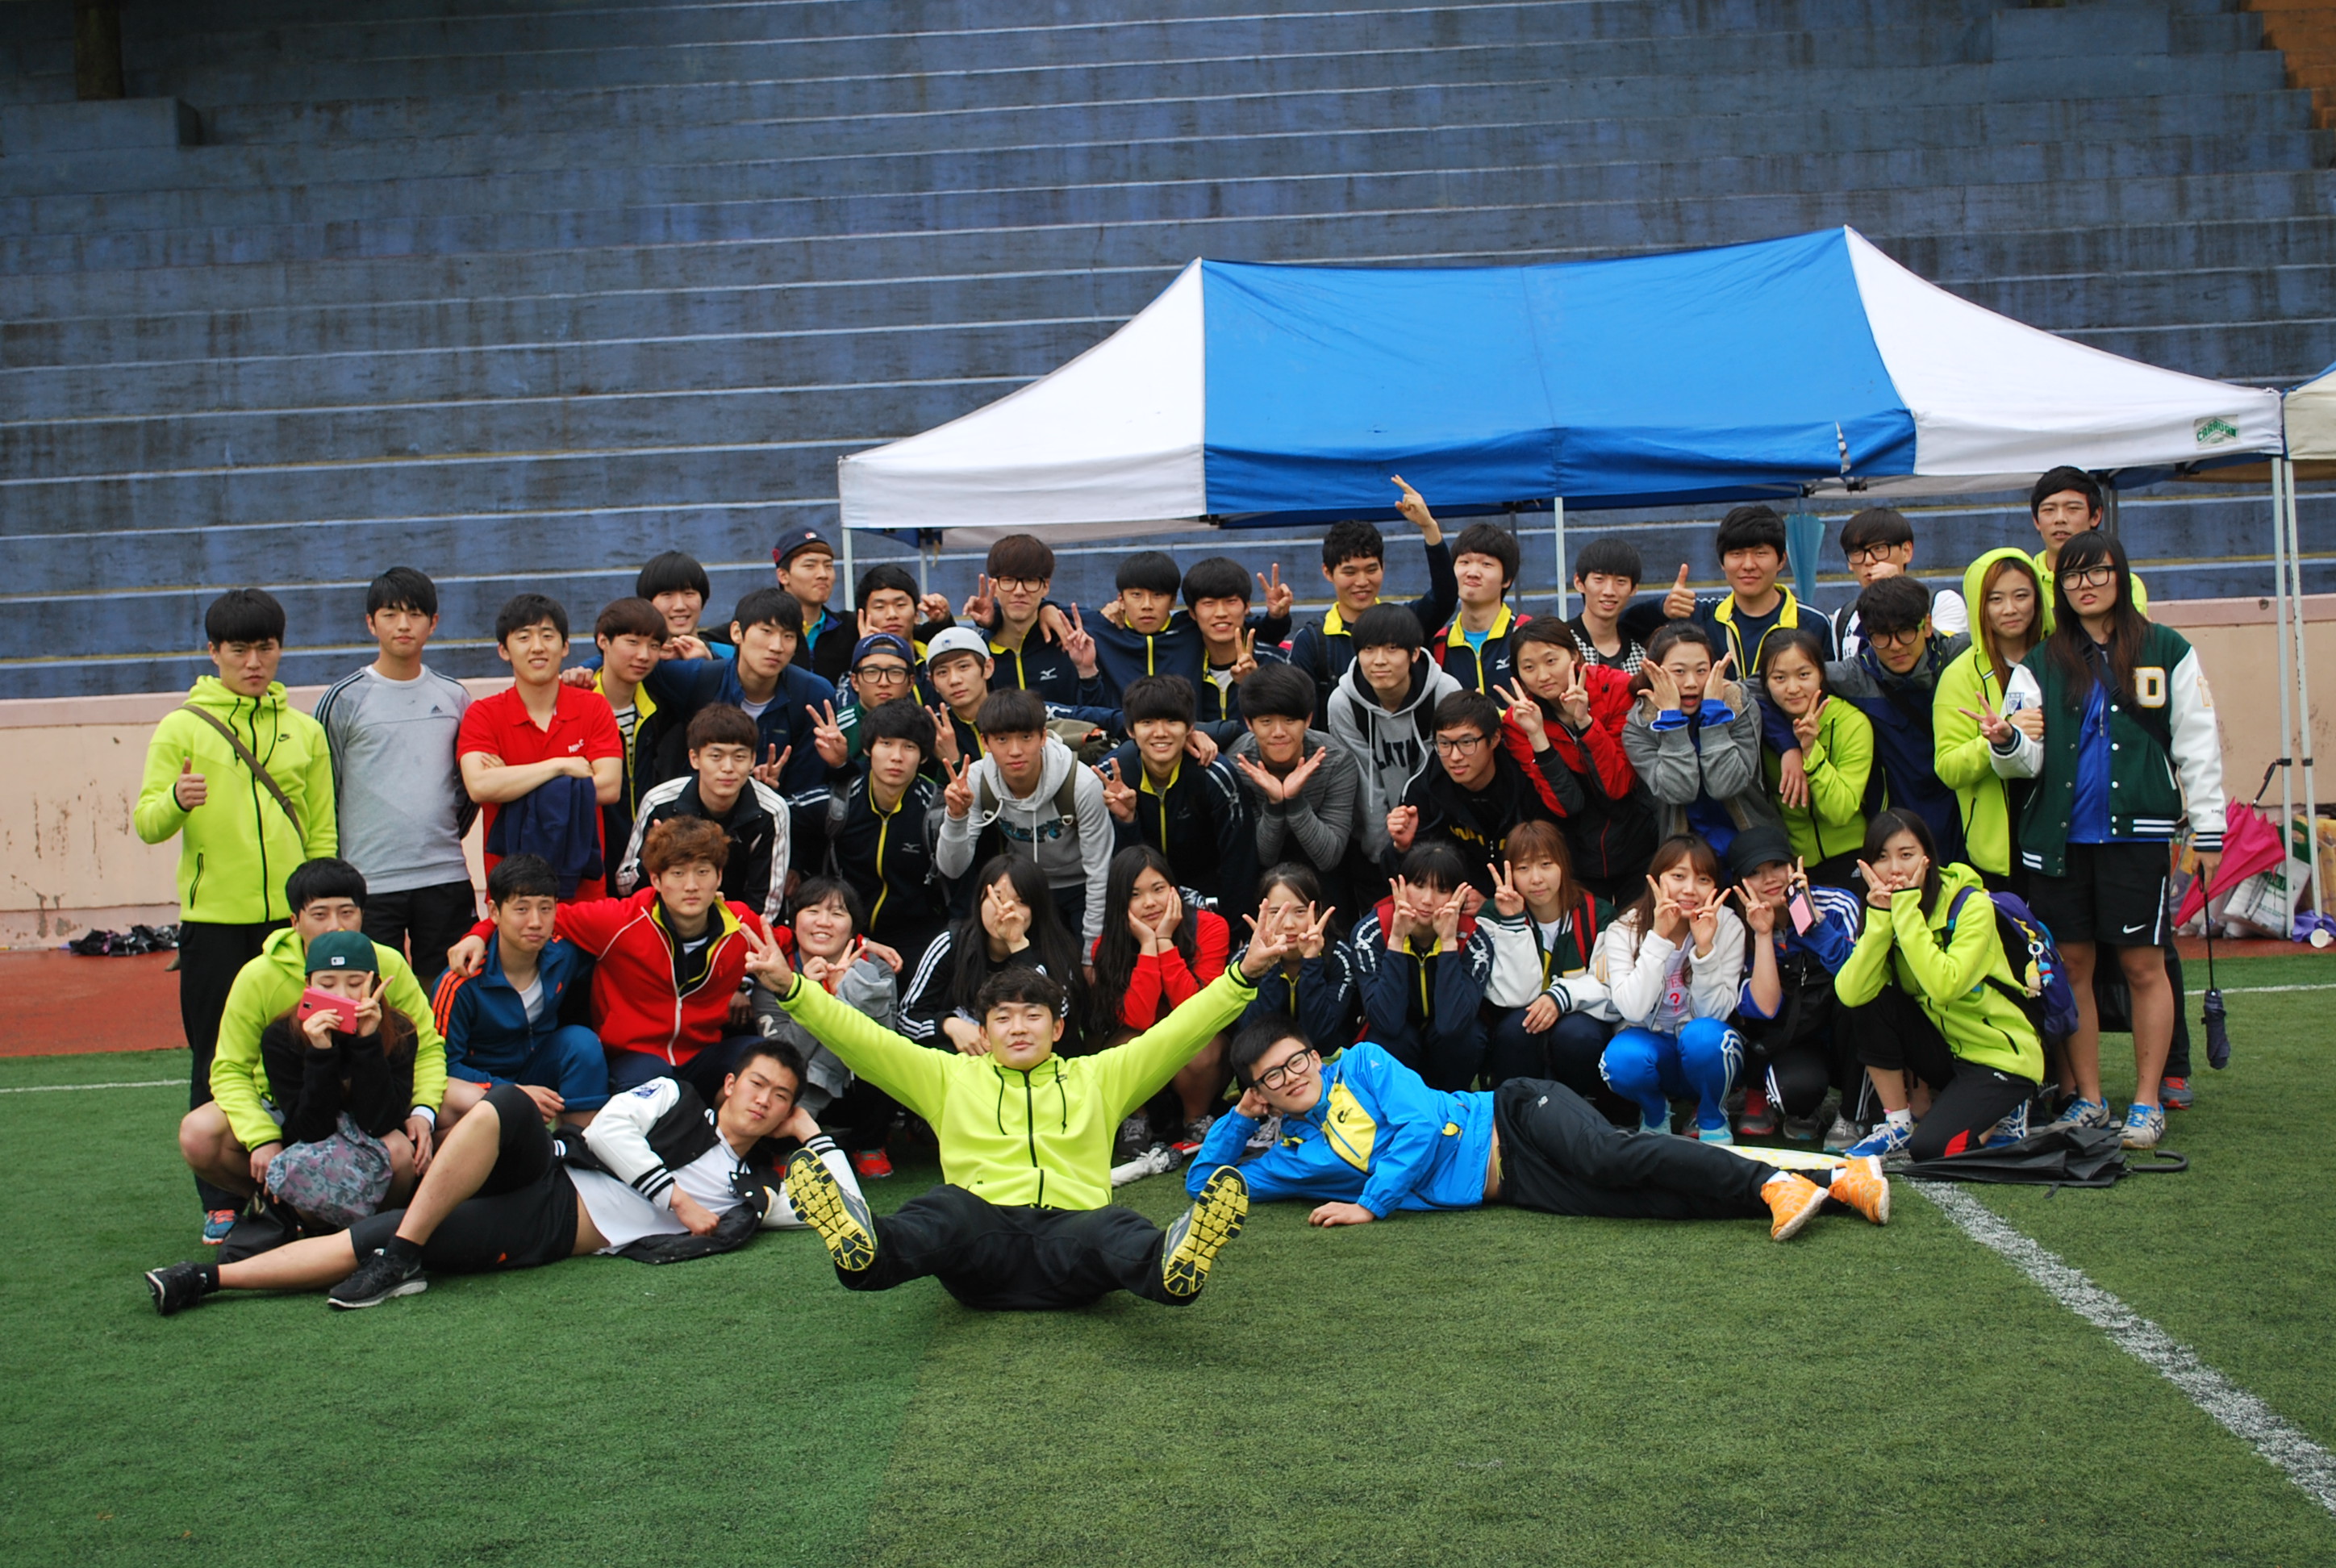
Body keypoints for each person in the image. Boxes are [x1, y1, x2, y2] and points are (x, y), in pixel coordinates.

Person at [749, 911, 1309, 1312]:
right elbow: (864, 1041)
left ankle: (1171, 1264)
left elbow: (1179, 1032)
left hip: (1073, 1244)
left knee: (1115, 1225)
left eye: (1033, 1016)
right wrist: (792, 988)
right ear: (985, 1031)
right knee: (945, 1209)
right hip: (982, 1249)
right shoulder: (948, 1077)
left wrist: (1244, 974)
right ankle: (868, 1250)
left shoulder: (1097, 1077)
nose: (1018, 1028)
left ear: (1058, 1028)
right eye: (1003, 1018)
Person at [144, 1041, 856, 1315]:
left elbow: (841, 1206)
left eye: (781, 1099)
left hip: (554, 1225)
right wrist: (674, 1199)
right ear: (730, 1084)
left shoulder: (746, 1191)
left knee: (380, 1233)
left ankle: (208, 1279)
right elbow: (605, 1132)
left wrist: (811, 1134)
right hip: (551, 1166)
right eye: (757, 1085)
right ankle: (403, 1256)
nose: (764, 1102)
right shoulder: (676, 1096)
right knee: (508, 1103)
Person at [1190, 1022, 1888, 1241]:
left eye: (1297, 1061)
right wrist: (1237, 1120)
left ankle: (1770, 1181)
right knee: (1649, 1202)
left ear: (1315, 1055)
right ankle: (1835, 1181)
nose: (1292, 1077)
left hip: (1515, 1115)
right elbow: (1206, 1184)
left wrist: (1372, 1204)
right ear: (1261, 1092)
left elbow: (1423, 1126)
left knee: (1611, 1156)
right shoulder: (1290, 1154)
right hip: (1514, 1184)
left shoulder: (1364, 1063)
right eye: (1272, 1077)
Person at [1984, 532, 2221, 1149]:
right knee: (2071, 968)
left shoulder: (2167, 649)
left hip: (2137, 837)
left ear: (2121, 575)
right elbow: (2024, 762)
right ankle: (2088, 1098)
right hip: (2058, 841)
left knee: (2143, 963)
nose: (2085, 585)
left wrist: (2209, 827)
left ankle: (2146, 1101)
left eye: (2098, 572)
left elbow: (2197, 742)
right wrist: (2005, 742)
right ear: (2059, 588)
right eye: (2072, 576)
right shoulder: (2040, 662)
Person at [137, 587, 340, 1239]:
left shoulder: (305, 731)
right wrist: (176, 798)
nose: (254, 662)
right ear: (213, 652)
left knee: (305, 1046)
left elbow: (322, 833)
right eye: (239, 650)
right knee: (214, 1056)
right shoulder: (182, 728)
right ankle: (221, 1201)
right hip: (214, 925)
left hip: (290, 924)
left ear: (280, 649)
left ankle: (305, 1185)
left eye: (266, 648)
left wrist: (319, 914)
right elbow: (147, 822)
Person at [178, 859, 447, 1233]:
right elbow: (230, 1069)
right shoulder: (259, 976)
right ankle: (284, 1210)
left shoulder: (387, 963)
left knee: (466, 1107)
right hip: (288, 1099)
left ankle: (411, 1213)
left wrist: (423, 1111)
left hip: (376, 1092)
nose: (335, 925)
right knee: (198, 1133)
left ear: (362, 915)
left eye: (347, 912)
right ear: (295, 921)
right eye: (320, 914)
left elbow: (427, 1046)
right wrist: (262, 1137)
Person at [447, 816, 778, 1099]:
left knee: (762, 1060)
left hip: (702, 1054)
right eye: (678, 874)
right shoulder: (618, 920)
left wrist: (749, 986)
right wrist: (479, 933)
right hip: (634, 1059)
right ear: (656, 879)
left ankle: (727, 1141)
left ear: (719, 877)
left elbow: (783, 947)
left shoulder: (741, 923)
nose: (691, 886)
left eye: (703, 872)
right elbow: (538, 918)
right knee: (657, 1088)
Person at [1835, 810, 2047, 1161]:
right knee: (1869, 997)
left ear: (1928, 858)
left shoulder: (1971, 905)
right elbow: (1851, 993)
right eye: (1882, 858)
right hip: (1948, 1050)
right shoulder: (1884, 909)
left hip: (2000, 1055)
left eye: (1906, 854)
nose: (1895, 869)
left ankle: (2009, 1109)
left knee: (1932, 1150)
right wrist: (1881, 920)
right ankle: (1897, 1124)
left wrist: (1905, 908)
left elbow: (1945, 986)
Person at [312, 566, 475, 990]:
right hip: (370, 880)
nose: (404, 625)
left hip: (444, 875)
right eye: (390, 614)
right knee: (372, 995)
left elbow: (468, 788)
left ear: (433, 623)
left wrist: (441, 834)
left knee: (446, 992)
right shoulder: (342, 699)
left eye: (415, 614)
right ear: (371, 623)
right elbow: (326, 788)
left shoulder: (454, 696)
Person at [1792, 576, 1970, 866]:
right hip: (1899, 827)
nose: (1895, 646)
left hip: (1966, 818)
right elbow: (1774, 685)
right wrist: (1789, 747)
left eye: (1905, 632)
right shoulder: (1853, 676)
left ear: (1927, 625)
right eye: (1881, 636)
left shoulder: (1961, 656)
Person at [458, 593, 624, 901]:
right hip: (511, 898)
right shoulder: (483, 714)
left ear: (565, 647)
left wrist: (510, 781)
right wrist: (560, 767)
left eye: (547, 636)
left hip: (584, 894)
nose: (537, 647)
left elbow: (609, 786)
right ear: (503, 650)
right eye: (524, 637)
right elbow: (480, 787)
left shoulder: (593, 707)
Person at [254, 931, 424, 1227]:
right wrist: (321, 1052)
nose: (342, 996)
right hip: (315, 1146)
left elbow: (381, 1122)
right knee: (303, 1165)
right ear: (308, 985)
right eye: (327, 985)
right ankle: (318, 1234)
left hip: (373, 1141)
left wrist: (367, 1041)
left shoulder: (399, 1030)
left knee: (399, 1149)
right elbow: (310, 1129)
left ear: (375, 984)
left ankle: (382, 1229)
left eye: (355, 984)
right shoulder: (281, 1036)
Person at [432, 854, 608, 1131]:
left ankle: (578, 1143)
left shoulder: (564, 955)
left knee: (582, 1043)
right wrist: (512, 1092)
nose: (536, 922)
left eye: (545, 909)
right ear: (494, 912)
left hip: (537, 1064)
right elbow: (443, 1064)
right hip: (479, 1085)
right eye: (522, 909)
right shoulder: (461, 980)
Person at [1593, 833, 1746, 1143]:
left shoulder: (1728, 926)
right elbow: (1632, 1009)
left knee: (1705, 1037)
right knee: (1621, 1059)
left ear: (1714, 887)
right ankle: (1654, 1114)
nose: (1689, 889)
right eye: (1678, 876)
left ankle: (1712, 1117)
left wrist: (1704, 950)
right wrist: (1658, 939)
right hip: (1652, 1046)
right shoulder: (1624, 929)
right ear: (1656, 878)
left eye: (1703, 879)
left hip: (1703, 1051)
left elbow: (1714, 1014)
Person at [934, 687, 1112, 947]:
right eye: (1002, 740)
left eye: (1026, 737)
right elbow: (952, 868)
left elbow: (1100, 872)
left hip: (1082, 885)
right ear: (985, 743)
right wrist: (956, 817)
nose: (1015, 751)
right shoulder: (974, 780)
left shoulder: (1082, 784)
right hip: (1023, 888)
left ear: (1043, 737)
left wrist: (1090, 955)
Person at [1724, 825, 1865, 1144]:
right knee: (1795, 1092)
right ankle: (1799, 1105)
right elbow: (1765, 1010)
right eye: (1755, 872)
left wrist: (1810, 921)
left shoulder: (1838, 904)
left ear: (1794, 866)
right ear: (1740, 883)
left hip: (1846, 1032)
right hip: (1795, 1039)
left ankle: (1854, 1113)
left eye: (1777, 865)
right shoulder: (1736, 926)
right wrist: (1763, 934)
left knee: (1859, 1002)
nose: (1770, 879)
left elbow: (1859, 978)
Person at [756, 876, 902, 1178]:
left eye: (837, 913)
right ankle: (786, 1145)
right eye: (812, 911)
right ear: (794, 921)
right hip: (801, 1083)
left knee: (887, 1059)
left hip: (856, 1083)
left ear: (853, 928)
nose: (823, 922)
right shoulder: (775, 973)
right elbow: (782, 1055)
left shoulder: (875, 967)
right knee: (769, 1068)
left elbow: (886, 1042)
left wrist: (853, 993)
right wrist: (808, 996)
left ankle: (869, 1142)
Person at [1089, 845, 1233, 1146]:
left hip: (1195, 1056)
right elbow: (1138, 1019)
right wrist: (1147, 946)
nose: (1150, 903)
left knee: (1204, 1046)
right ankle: (1136, 1118)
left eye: (1158, 889)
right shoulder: (1106, 947)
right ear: (1120, 901)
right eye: (1135, 894)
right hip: (1144, 1054)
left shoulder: (1210, 927)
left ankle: (1196, 1118)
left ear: (1174, 890)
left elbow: (1198, 1011)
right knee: (1125, 1045)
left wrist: (1165, 940)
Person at [1503, 617, 1651, 903]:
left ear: (1574, 655)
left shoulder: (1617, 688)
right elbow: (1566, 804)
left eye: (1551, 661)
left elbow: (1617, 785)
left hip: (1638, 838)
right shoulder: (1518, 721)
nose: (1542, 676)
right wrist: (1537, 736)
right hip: (1575, 850)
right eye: (1529, 667)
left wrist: (1585, 722)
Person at [1287, 475, 1458, 722]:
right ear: (1327, 572)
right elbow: (1302, 715)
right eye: (1349, 572)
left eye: (1371, 569)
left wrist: (1429, 527)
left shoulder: (1406, 622)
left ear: (1383, 567)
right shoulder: (1312, 641)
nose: (1362, 582)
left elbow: (1445, 597)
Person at [790, 693, 946, 957]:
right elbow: (781, 815)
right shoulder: (840, 802)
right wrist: (793, 865)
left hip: (915, 936)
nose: (896, 757)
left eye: (909, 747)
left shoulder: (936, 810)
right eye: (886, 743)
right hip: (843, 931)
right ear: (867, 749)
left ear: (923, 757)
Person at [642, 587, 836, 796]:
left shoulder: (812, 695)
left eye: (788, 636)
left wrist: (767, 794)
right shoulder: (700, 678)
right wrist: (653, 651)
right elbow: (628, 665)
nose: (777, 646)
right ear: (737, 632)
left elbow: (809, 791)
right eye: (767, 631)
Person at [619, 704, 790, 929]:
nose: (728, 768)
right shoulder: (659, 801)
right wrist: (652, 856)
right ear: (695, 758)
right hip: (662, 924)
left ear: (752, 760)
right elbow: (624, 885)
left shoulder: (772, 810)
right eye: (716, 756)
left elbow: (766, 909)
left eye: (739, 757)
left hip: (737, 928)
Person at [1934, 548, 2046, 890]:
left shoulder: (2063, 659)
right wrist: (1998, 739)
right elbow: (1948, 767)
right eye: (1995, 599)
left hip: (2064, 841)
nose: (2010, 609)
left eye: (2021, 596)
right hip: (2000, 855)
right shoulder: (1960, 675)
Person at [1098, 674, 1254, 914]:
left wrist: (1232, 928)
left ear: (1191, 727)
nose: (1160, 733)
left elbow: (1239, 861)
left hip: (1206, 897)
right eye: (1147, 722)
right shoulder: (1112, 775)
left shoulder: (1214, 774)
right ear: (1130, 730)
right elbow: (1110, 863)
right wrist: (1127, 822)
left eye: (1172, 721)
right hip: (1141, 901)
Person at [901, 855, 1090, 1052]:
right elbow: (907, 1019)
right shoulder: (953, 942)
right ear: (979, 901)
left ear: (1037, 908)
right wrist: (949, 1025)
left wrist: (1018, 945)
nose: (1005, 909)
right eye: (996, 898)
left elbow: (1056, 1016)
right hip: (970, 1059)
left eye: (1021, 901)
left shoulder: (1057, 949)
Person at [1481, 822, 1615, 1097]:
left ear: (1563, 865)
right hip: (1520, 1024)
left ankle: (1586, 1106)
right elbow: (1516, 996)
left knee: (1577, 1034)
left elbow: (1612, 986)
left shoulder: (1597, 914)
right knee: (1518, 1028)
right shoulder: (1493, 915)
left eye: (1546, 864)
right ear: (1510, 872)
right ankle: (1520, 1109)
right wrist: (1513, 923)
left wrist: (1560, 997)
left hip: (1580, 1022)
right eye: (1523, 868)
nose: (1536, 879)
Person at [1619, 621, 1775, 857]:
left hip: (1752, 848)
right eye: (1679, 672)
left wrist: (1714, 715)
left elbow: (1725, 786)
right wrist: (1671, 721)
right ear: (1654, 673)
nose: (1691, 683)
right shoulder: (1640, 727)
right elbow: (1681, 791)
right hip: (1686, 855)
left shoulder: (1739, 706)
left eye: (1701, 671)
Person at [1349, 843, 1497, 1091]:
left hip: (1445, 1041)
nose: (1428, 900)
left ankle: (1451, 1105)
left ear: (1459, 895)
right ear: (1401, 886)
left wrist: (1448, 943)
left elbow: (1453, 1025)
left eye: (1442, 889)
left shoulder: (1473, 939)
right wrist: (1397, 940)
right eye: (1418, 886)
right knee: (1386, 1039)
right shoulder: (1372, 931)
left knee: (1468, 1037)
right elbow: (1386, 1022)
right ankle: (1397, 1107)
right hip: (1399, 1036)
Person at [1385, 689, 1562, 894]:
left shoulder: (1527, 781)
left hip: (1526, 896)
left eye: (1467, 742)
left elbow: (1559, 861)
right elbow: (1405, 883)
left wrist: (1491, 902)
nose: (1455, 756)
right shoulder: (1425, 788)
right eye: (1444, 743)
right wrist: (1401, 848)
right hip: (1459, 900)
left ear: (1494, 739)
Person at [1224, 661, 1363, 920]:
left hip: (1324, 875)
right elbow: (1263, 857)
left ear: (1308, 719)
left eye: (1290, 720)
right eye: (1266, 721)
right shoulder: (1238, 764)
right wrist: (1275, 804)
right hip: (1262, 877)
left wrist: (1295, 800)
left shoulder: (1335, 760)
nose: (1278, 732)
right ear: (1249, 723)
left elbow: (1329, 857)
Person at [1326, 603, 1462, 866]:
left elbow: (1444, 775)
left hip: (1442, 839)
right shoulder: (1343, 704)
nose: (1379, 660)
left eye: (1391, 649)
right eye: (1368, 649)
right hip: (1375, 849)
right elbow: (1365, 784)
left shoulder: (1444, 692)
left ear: (1414, 653)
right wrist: (1385, 856)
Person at [1091, 550, 1292, 711]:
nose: (1147, 605)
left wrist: (1276, 618)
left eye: (1158, 595)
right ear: (1121, 599)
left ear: (1172, 601)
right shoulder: (1103, 630)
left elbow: (1250, 630)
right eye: (1136, 595)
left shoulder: (1186, 628)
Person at [1654, 503, 1836, 672]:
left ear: (1781, 560)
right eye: (1737, 554)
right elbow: (1636, 625)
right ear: (1722, 562)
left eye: (1760, 553)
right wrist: (1662, 608)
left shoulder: (1813, 623)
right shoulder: (1700, 617)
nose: (1748, 565)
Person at [1758, 629, 1875, 886]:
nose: (1793, 688)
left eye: (1804, 675)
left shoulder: (1852, 723)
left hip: (1853, 855)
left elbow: (1840, 811)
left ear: (1821, 674)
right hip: (1789, 862)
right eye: (1779, 678)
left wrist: (1812, 753)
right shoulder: (1760, 726)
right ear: (1765, 682)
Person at [966, 534, 1106, 707]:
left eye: (1030, 581)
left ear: (1045, 586)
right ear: (992, 585)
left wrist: (1088, 673)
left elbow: (1097, 714)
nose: (1019, 591)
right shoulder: (978, 652)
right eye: (1008, 580)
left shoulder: (1073, 645)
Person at [1235, 864, 1357, 1050]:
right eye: (1276, 913)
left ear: (1317, 912)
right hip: (1266, 1059)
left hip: (1327, 1060)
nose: (1289, 924)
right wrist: (1270, 964)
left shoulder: (1340, 958)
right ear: (1262, 914)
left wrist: (1311, 962)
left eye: (1300, 911)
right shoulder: (1246, 961)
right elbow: (1250, 1034)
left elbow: (1320, 1034)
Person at [590, 596, 672, 857]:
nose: (644, 655)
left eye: (654, 645)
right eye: (633, 642)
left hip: (649, 853)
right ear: (603, 641)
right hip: (594, 852)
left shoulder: (661, 708)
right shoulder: (578, 708)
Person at [1182, 554, 1294, 740]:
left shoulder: (1278, 662)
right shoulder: (1180, 666)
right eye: (1209, 603)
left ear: (1247, 606)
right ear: (1192, 612)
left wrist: (1256, 684)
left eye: (1231, 601)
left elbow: (1294, 727)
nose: (1221, 613)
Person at [1831, 507, 1967, 657]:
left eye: (1879, 548)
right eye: (1857, 552)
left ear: (1906, 551)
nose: (1868, 560)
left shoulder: (1942, 603)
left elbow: (1943, 657)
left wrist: (1896, 591)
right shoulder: (1843, 617)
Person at [2028, 466, 2148, 628]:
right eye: (2049, 510)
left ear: (2096, 516)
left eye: (2073, 509)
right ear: (2036, 520)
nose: (2060, 519)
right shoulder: (2024, 581)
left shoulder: (2122, 582)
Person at [1433, 521, 1525, 694]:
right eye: (1465, 562)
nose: (1473, 573)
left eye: (1486, 564)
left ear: (1507, 580)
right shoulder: (1438, 644)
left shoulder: (1527, 634)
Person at [770, 528, 854, 682]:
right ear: (783, 575)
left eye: (828, 566)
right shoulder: (761, 630)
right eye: (810, 566)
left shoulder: (853, 628)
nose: (823, 574)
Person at [1565, 535, 1648, 673]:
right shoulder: (1561, 645)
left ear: (1634, 588)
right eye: (1599, 579)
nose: (1609, 591)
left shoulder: (1642, 655)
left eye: (1621, 581)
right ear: (1579, 583)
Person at [636, 549, 711, 642]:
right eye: (667, 595)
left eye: (689, 594)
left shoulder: (725, 650)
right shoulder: (630, 651)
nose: (680, 606)